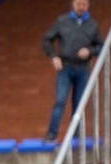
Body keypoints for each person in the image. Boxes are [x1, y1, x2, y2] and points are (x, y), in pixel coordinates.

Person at [44, 0, 102, 141]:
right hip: (65, 67)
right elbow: (47, 40)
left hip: (83, 69)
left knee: (79, 104)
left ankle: (76, 137)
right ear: (73, 4)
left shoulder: (93, 25)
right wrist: (53, 57)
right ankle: (51, 134)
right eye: (78, 4)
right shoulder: (62, 21)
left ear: (88, 6)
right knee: (60, 100)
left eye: (84, 4)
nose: (81, 7)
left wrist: (90, 50)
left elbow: (101, 46)